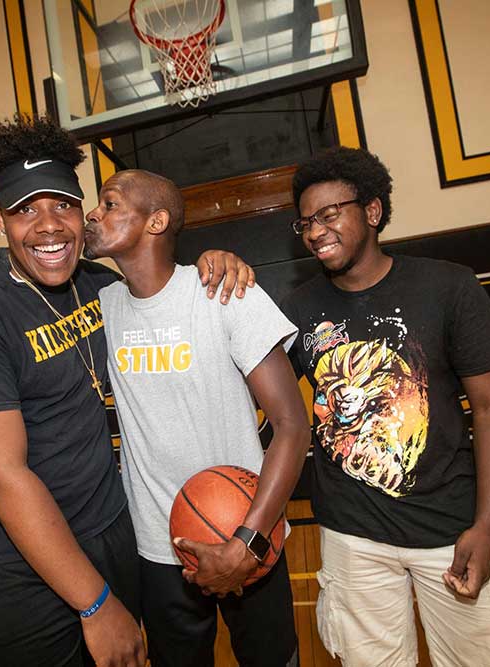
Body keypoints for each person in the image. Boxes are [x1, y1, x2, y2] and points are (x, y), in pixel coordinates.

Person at [0, 115, 254, 667]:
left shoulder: (101, 287)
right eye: (25, 210)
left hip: (110, 540)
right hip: (12, 572)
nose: (48, 226)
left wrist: (216, 263)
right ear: (0, 221)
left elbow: (164, 281)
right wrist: (95, 604)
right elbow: (2, 476)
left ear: (83, 211)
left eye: (62, 205)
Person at [280, 147, 490, 666]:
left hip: (449, 530)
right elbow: (270, 406)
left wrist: (487, 526)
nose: (316, 232)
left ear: (373, 211)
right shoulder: (298, 308)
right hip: (352, 538)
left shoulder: (448, 287)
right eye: (306, 222)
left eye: (329, 215)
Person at [84, 169, 308, 667]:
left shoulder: (225, 292)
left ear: (156, 220)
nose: (93, 215)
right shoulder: (101, 305)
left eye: (110, 203)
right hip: (158, 548)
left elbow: (292, 426)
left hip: (246, 534)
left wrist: (246, 542)